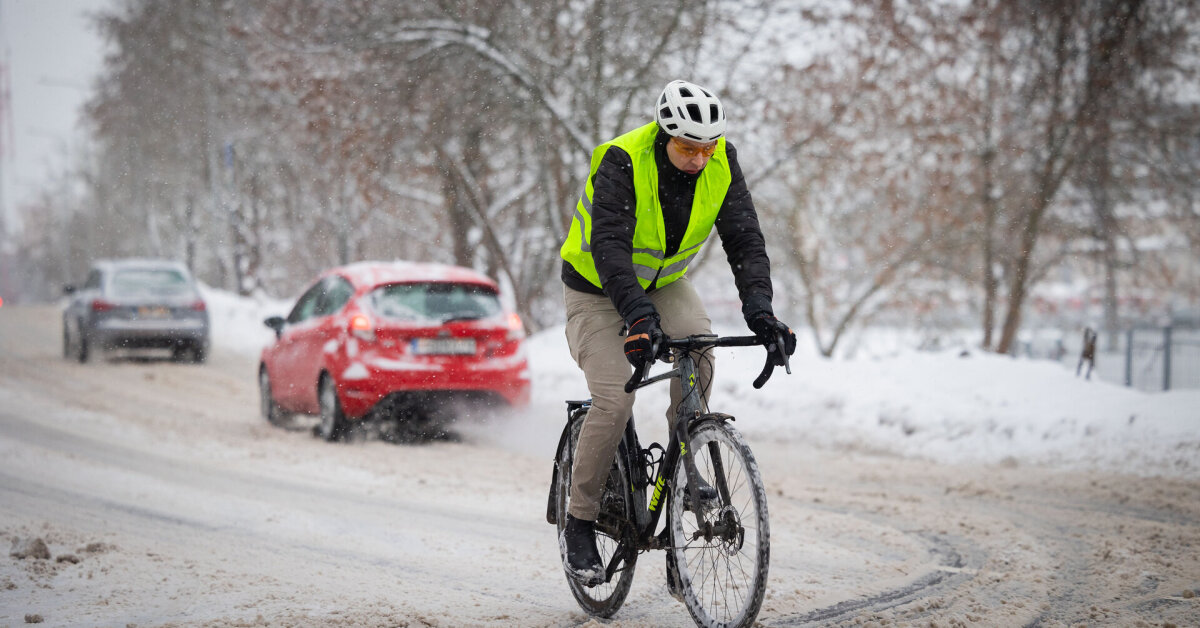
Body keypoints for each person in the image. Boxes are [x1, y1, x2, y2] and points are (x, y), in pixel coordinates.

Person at [557, 79, 797, 586]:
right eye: (687, 147)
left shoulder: (721, 163)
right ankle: (579, 521)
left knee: (700, 350)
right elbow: (611, 249)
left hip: (663, 284)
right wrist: (640, 319)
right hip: (597, 291)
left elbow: (746, 243)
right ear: (664, 135)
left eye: (706, 148)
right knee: (614, 399)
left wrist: (762, 314)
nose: (698, 158)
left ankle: (686, 463)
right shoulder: (622, 161)